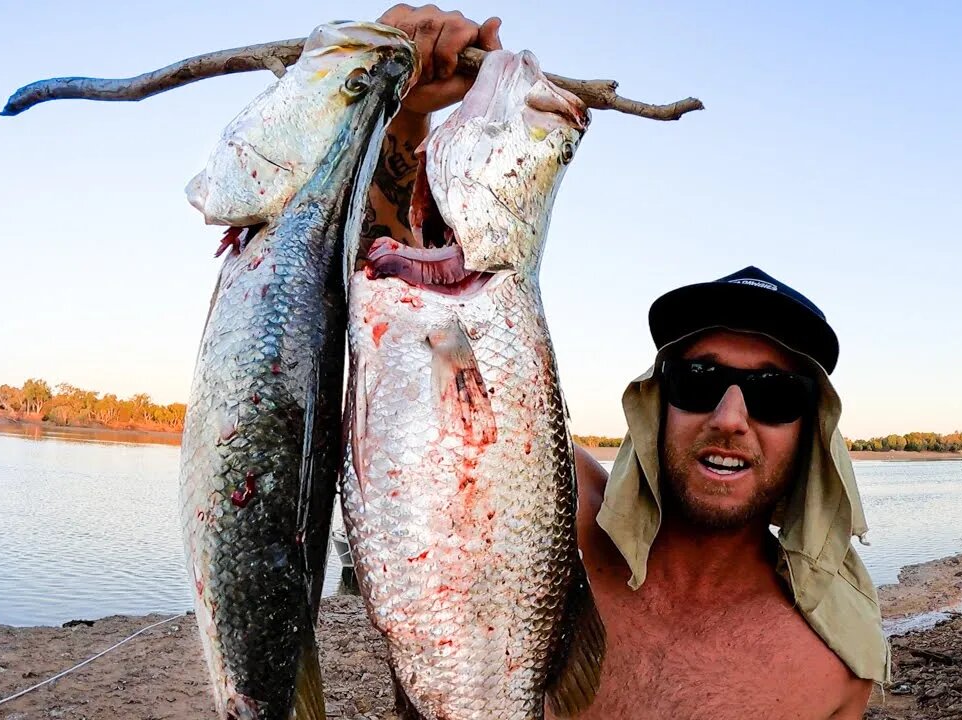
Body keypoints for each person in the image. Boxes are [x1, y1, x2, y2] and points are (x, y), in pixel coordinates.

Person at [367, 7, 890, 718]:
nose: (731, 418)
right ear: (657, 403)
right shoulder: (547, 497)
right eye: (699, 381)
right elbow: (399, 313)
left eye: (773, 395)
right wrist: (403, 121)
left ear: (811, 433)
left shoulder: (834, 669)